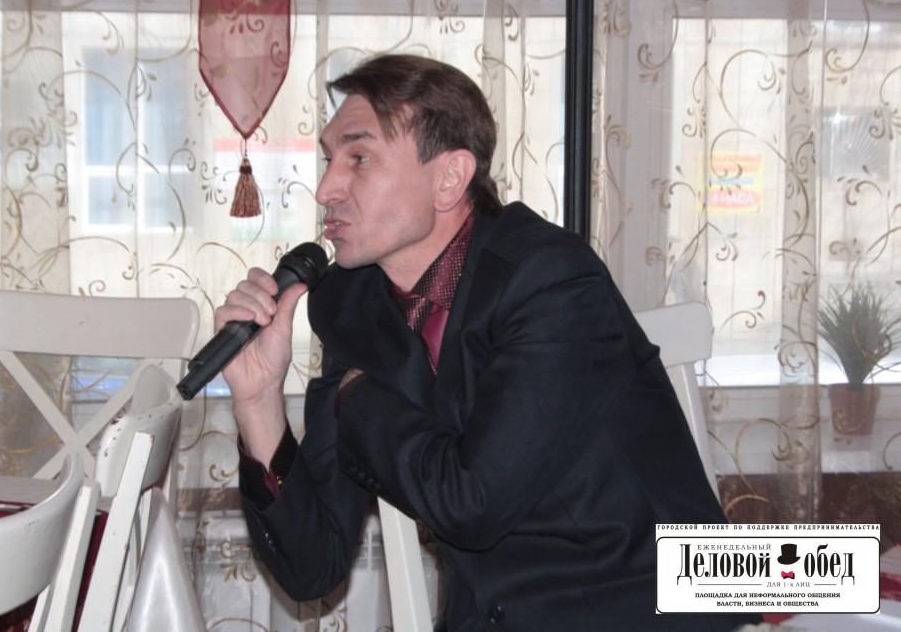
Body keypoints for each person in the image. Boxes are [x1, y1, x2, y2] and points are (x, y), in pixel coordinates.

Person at [217, 54, 761, 631]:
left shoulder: (550, 278)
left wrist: (354, 397)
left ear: (450, 178)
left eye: (359, 158)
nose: (326, 188)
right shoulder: (349, 303)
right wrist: (259, 402)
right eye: (330, 159)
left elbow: (473, 503)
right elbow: (312, 567)